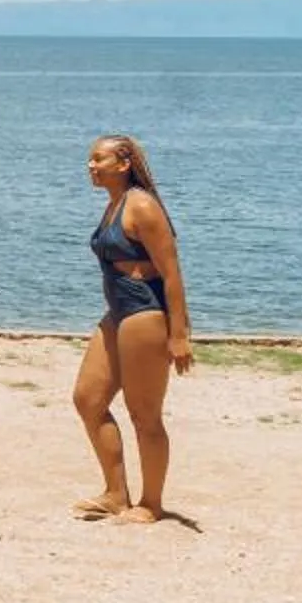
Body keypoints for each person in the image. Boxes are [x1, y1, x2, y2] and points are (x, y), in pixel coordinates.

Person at [73, 134, 194, 523]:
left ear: (124, 163)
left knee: (144, 414)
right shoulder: (114, 206)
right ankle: (114, 493)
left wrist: (179, 335)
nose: (91, 166)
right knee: (88, 399)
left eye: (98, 159)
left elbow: (172, 273)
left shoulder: (142, 206)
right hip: (117, 312)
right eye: (89, 160)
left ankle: (151, 504)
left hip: (146, 313)